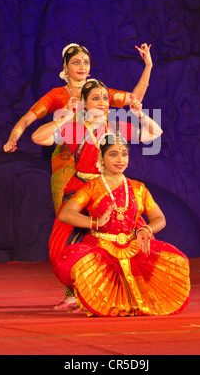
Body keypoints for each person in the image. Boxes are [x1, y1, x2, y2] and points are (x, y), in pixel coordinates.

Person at [31, 79, 162, 309]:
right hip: (81, 188)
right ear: (84, 101)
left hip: (112, 189)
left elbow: (154, 133)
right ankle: (73, 293)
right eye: (95, 98)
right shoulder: (75, 128)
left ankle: (119, 291)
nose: (102, 102)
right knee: (65, 243)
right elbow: (38, 138)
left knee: (122, 240)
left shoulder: (117, 127)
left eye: (104, 98)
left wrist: (139, 114)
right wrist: (67, 117)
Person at [3, 43, 154, 213]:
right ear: (65, 67)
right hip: (67, 164)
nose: (82, 67)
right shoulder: (56, 95)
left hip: (101, 162)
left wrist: (148, 66)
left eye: (86, 62)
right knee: (71, 221)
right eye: (76, 62)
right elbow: (26, 119)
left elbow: (135, 99)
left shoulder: (99, 92)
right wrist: (12, 138)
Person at [52, 133, 190, 317]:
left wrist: (145, 229)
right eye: (113, 154)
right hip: (101, 249)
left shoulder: (138, 188)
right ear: (101, 158)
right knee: (76, 264)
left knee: (177, 261)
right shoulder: (92, 187)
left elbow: (159, 218)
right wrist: (95, 222)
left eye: (124, 154)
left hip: (133, 249)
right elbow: (65, 213)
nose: (120, 159)